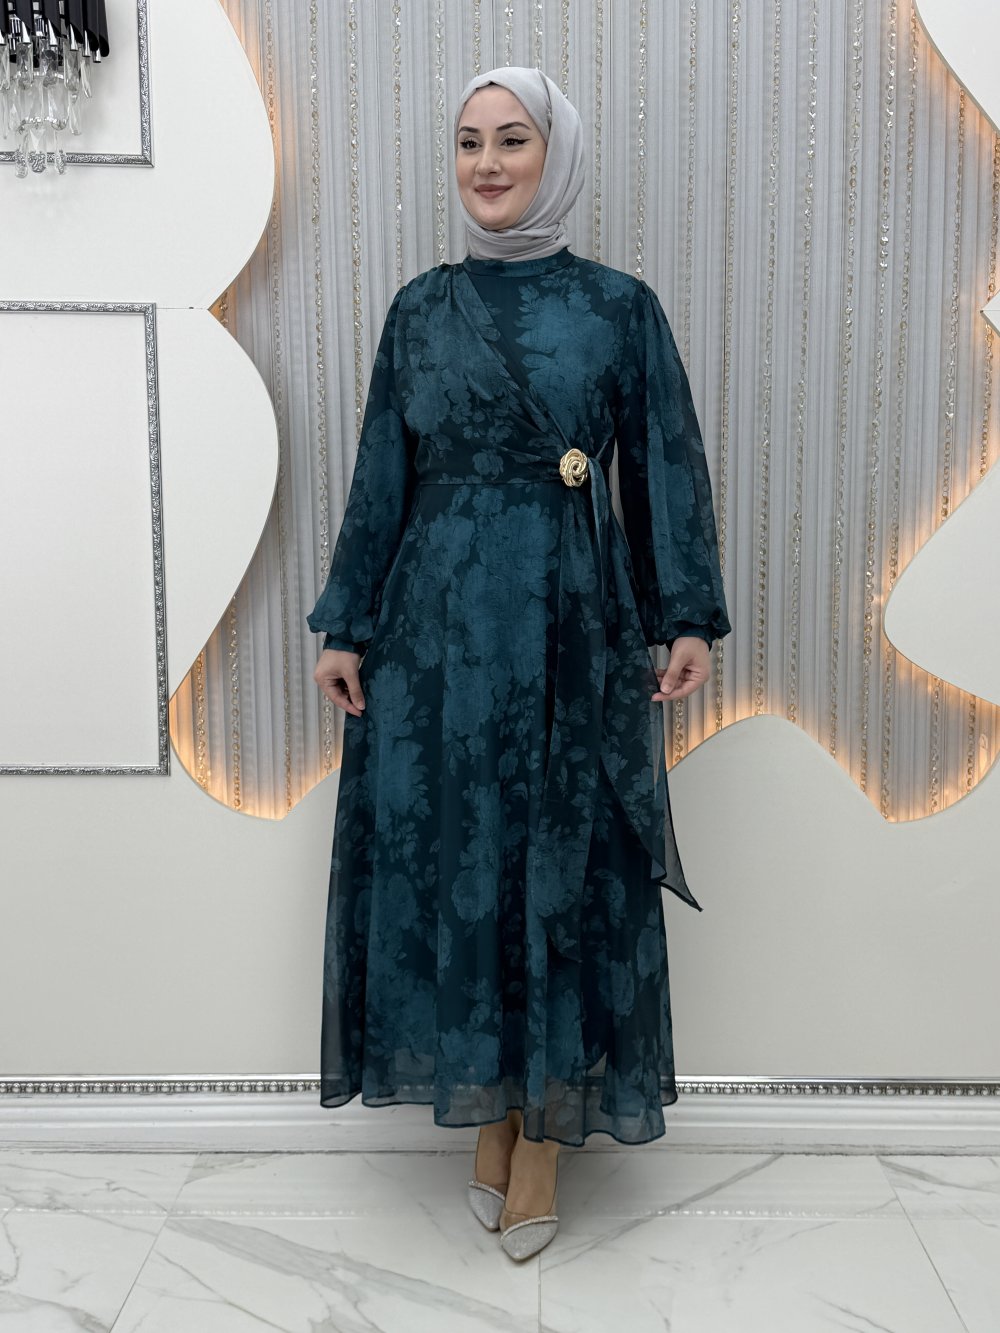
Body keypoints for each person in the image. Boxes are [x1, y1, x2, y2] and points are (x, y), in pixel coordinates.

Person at [307, 66, 730, 1261]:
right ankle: (490, 1108)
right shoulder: (418, 309)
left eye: (512, 140)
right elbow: (381, 473)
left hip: (566, 621)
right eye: (467, 143)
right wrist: (348, 624)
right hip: (432, 633)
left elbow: (662, 463)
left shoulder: (617, 308)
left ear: (557, 156)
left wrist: (682, 616)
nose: (486, 164)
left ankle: (542, 1131)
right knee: (462, 861)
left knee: (559, 868)